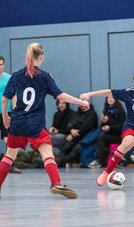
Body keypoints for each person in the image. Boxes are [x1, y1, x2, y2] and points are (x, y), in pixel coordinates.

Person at [0, 42, 89, 198]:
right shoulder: (44, 76)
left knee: (9, 156)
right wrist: (81, 102)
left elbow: (5, 99)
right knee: (47, 153)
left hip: (18, 121)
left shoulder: (16, 75)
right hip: (35, 123)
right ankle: (56, 183)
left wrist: (6, 118)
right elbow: (60, 96)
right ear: (41, 56)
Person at [80, 70, 134, 187]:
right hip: (131, 129)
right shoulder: (129, 93)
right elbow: (109, 92)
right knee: (128, 142)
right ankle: (106, 172)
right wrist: (89, 94)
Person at [88, 96, 125, 168]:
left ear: (116, 99)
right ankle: (99, 161)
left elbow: (121, 127)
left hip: (118, 136)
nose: (110, 99)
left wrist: (109, 126)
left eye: (112, 98)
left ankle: (98, 160)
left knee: (101, 137)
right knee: (100, 135)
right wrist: (104, 123)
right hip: (108, 135)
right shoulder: (106, 111)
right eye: (108, 98)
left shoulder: (121, 112)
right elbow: (102, 126)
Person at [0, 56, 22, 174]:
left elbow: (14, 96)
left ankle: (11, 165)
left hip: (6, 112)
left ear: (4, 65)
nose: (0, 67)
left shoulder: (9, 78)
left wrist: (15, 110)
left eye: (1, 64)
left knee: (8, 139)